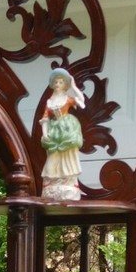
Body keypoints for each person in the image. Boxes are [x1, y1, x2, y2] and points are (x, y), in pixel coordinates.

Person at [39, 68, 86, 202]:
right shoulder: (50, 102)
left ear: (64, 84)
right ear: (53, 84)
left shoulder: (67, 98)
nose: (58, 85)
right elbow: (45, 119)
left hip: (67, 126)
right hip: (54, 129)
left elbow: (82, 102)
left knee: (68, 152)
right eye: (56, 82)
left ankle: (69, 181)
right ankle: (52, 181)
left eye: (60, 82)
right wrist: (45, 134)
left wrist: (74, 87)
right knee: (53, 153)